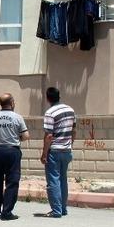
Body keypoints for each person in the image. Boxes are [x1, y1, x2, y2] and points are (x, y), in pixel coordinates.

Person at [0, 94, 30, 220]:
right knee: (12, 182)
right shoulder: (17, 117)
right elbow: (26, 136)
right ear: (12, 103)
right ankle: (6, 212)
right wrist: (16, 137)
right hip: (12, 151)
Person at [40, 87, 76, 218]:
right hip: (66, 150)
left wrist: (44, 153)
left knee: (53, 181)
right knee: (63, 179)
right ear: (59, 96)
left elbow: (49, 136)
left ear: (48, 98)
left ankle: (56, 210)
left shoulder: (50, 112)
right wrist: (70, 145)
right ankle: (63, 208)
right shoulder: (70, 110)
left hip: (54, 151)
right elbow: (74, 131)